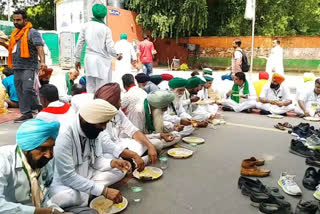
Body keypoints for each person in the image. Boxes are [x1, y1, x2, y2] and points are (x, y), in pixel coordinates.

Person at [50, 99, 130, 209]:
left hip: (88, 176)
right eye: (102, 124)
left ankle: (90, 193)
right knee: (65, 198)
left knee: (119, 171)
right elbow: (68, 177)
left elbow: (97, 161)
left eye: (106, 123)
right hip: (66, 185)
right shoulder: (64, 136)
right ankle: (90, 193)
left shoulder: (92, 131)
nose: (104, 128)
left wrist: (113, 163)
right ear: (88, 120)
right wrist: (104, 191)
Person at [0, 119, 72, 213]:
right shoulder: (3, 161)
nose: (49, 155)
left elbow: (44, 197)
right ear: (26, 148)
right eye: (43, 149)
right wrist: (39, 212)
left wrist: (58, 211)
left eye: (52, 147)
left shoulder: (46, 161)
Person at [94, 83, 159, 164]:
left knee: (156, 144)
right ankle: (134, 162)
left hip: (121, 144)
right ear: (112, 103)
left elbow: (133, 130)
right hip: (108, 152)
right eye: (119, 100)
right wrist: (133, 155)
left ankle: (135, 162)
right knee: (113, 162)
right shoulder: (98, 118)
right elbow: (108, 145)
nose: (121, 102)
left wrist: (150, 146)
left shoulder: (117, 111)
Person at [0, 10, 47, 122]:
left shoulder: (32, 32)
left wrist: (43, 62)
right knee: (20, 90)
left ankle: (39, 106)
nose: (16, 22)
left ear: (25, 20)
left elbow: (39, 47)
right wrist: (2, 44)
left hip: (29, 66)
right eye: (14, 20)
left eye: (18, 20)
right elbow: (12, 50)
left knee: (27, 89)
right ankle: (26, 113)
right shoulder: (15, 34)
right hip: (16, 67)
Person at [74, 4, 122, 93]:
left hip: (89, 61)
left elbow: (79, 44)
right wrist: (117, 55)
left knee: (90, 88)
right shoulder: (106, 29)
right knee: (102, 90)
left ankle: (91, 105)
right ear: (104, 15)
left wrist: (77, 59)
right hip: (102, 63)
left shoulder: (85, 26)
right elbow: (110, 48)